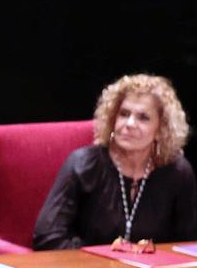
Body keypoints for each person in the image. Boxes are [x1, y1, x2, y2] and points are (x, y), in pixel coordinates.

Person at [33, 73, 196, 252]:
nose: (130, 124)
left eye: (143, 117)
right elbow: (48, 237)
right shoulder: (83, 164)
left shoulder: (178, 173)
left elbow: (188, 244)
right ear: (112, 119)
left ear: (161, 130)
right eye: (124, 114)